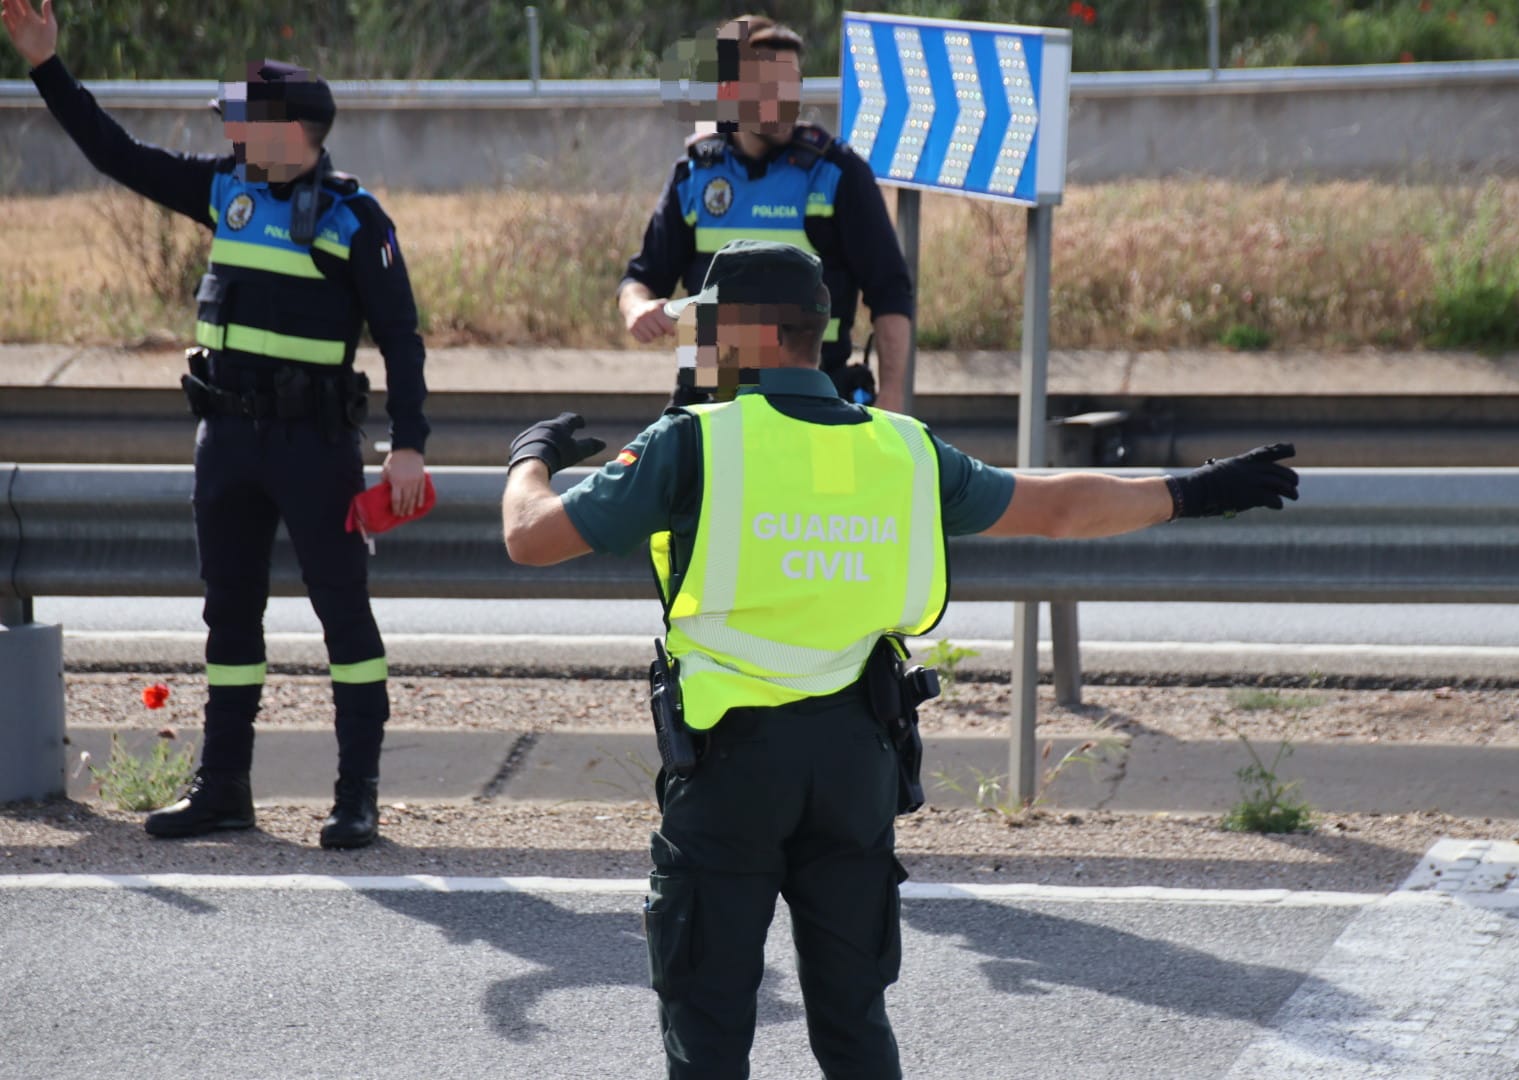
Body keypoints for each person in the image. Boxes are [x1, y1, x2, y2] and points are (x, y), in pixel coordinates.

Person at [503, 239, 1300, 1079]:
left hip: (729, 768)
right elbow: (1059, 508)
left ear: (748, 335)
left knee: (708, 1023)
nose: (699, 350)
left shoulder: (690, 442)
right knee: (853, 1023)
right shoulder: (904, 450)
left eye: (708, 330)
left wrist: (531, 457)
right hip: (858, 762)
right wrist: (1196, 490)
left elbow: (530, 538)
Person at [2, 0, 431, 849]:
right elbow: (114, 154)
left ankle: (357, 797)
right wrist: (46, 64)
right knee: (229, 621)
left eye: (244, 122)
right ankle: (225, 789)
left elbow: (403, 339)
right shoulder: (224, 191)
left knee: (344, 619)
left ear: (293, 130)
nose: (230, 135)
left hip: (315, 447)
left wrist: (409, 445)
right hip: (226, 443)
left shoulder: (356, 219)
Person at [619, 15, 915, 411]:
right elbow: (641, 279)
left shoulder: (836, 174)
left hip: (813, 395)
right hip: (712, 395)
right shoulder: (696, 174)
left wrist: (893, 398)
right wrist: (637, 308)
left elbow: (890, 291)